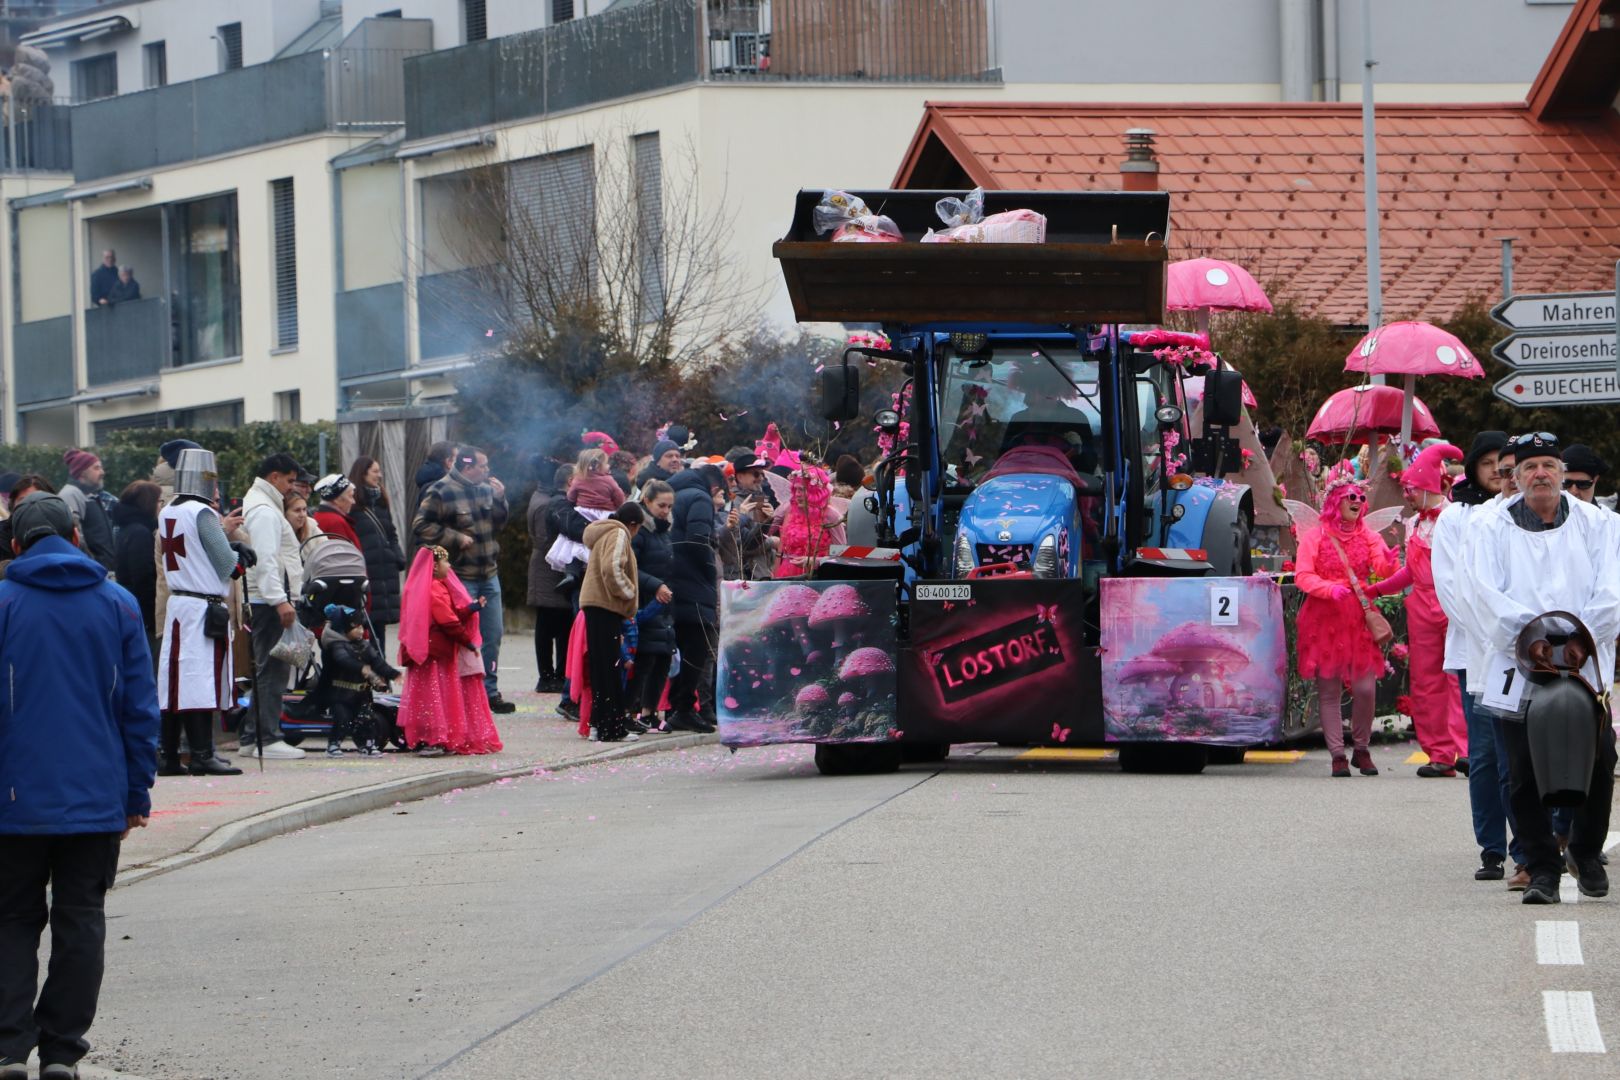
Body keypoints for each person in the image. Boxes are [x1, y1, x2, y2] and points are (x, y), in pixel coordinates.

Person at [0, 493, 158, 1080]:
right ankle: (61, 1050)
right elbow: (139, 709)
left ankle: (9, 1046)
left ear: (15, 544)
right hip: (96, 794)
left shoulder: (4, 604)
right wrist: (137, 792)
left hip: (12, 797)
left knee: (11, 919)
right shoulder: (118, 604)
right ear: (75, 535)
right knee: (81, 917)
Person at [1467, 432, 1620, 904]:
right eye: (1530, 467)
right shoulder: (1491, 527)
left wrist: (1580, 638)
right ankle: (1541, 869)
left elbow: (1612, 588)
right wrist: (1530, 638)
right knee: (1522, 770)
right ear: (1516, 476)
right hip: (1518, 660)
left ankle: (1585, 852)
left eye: (1549, 466)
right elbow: (1483, 592)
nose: (1540, 475)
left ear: (1561, 472)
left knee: (1601, 759)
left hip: (1583, 659)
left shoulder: (1598, 523)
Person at [1368, 444, 1468, 776]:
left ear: (1427, 486)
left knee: (1458, 678)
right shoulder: (1413, 524)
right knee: (1426, 681)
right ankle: (1440, 754)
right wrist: (1377, 589)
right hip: (1421, 608)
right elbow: (1410, 572)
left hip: (1453, 604)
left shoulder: (1457, 518)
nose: (1407, 495)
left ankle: (1468, 751)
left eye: (1411, 489)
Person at [1294, 473, 1397, 777]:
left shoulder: (1370, 536)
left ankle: (1361, 749)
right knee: (1329, 690)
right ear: (1335, 502)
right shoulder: (1315, 537)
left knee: (1365, 688)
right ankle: (1338, 754)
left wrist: (1390, 561)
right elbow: (1302, 575)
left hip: (1359, 617)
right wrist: (1328, 589)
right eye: (1352, 497)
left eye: (1361, 498)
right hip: (1324, 618)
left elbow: (1382, 569)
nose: (1358, 502)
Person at [155, 448, 247, 778]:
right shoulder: (202, 512)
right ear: (206, 479)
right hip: (201, 607)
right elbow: (228, 566)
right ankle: (202, 755)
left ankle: (168, 755)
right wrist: (240, 558)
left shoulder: (168, 510)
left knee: (173, 684)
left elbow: (195, 550)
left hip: (179, 604)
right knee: (199, 682)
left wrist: (230, 547)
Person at [412, 445, 515, 714]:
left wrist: (500, 500)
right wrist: (456, 538)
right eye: (483, 466)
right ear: (468, 467)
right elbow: (421, 526)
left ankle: (489, 691)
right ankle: (462, 694)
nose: (488, 471)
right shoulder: (441, 490)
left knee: (493, 635)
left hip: (489, 575)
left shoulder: (485, 489)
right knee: (464, 638)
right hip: (461, 578)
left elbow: (498, 525)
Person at [396, 546, 503, 755]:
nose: (450, 565)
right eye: (446, 561)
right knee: (436, 697)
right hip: (435, 653)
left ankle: (431, 737)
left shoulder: (425, 586)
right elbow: (447, 621)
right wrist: (468, 643)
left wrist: (470, 609)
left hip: (427, 652)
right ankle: (437, 739)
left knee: (428, 697)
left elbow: (449, 615)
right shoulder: (434, 588)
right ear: (435, 566)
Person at [239, 452, 308, 760]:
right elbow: (266, 559)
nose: (291, 487)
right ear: (274, 477)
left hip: (265, 598)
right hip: (269, 601)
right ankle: (267, 738)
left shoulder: (261, 504)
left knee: (268, 669)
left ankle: (253, 737)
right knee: (273, 670)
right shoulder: (265, 511)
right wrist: (280, 601)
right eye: (289, 481)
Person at [666, 463, 726, 732]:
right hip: (693, 582)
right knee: (697, 648)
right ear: (714, 487)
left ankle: (676, 706)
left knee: (680, 646)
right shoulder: (700, 498)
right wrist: (709, 568)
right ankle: (684, 708)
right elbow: (698, 539)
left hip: (674, 578)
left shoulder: (675, 493)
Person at [579, 502, 645, 742]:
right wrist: (629, 592)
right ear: (633, 525)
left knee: (600, 669)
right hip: (606, 606)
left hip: (594, 605)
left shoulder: (603, 533)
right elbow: (612, 569)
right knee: (610, 669)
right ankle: (613, 728)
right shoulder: (619, 533)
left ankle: (598, 724)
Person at [310, 604, 399, 757]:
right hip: (341, 692)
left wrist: (393, 674)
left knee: (367, 719)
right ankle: (333, 744)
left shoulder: (364, 645)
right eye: (355, 627)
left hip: (361, 693)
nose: (360, 631)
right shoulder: (335, 646)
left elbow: (377, 662)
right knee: (342, 718)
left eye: (361, 627)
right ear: (343, 628)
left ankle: (367, 745)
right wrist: (361, 667)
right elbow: (343, 660)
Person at [630, 481, 676, 733]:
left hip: (664, 603)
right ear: (647, 502)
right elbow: (631, 567)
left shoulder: (663, 531)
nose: (665, 511)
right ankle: (632, 711)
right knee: (644, 661)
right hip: (646, 602)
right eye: (661, 505)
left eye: (669, 506)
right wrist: (655, 585)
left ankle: (650, 712)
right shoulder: (640, 532)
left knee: (662, 660)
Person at [348, 457, 406, 655]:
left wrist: (397, 556)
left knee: (379, 626)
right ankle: (372, 667)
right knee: (366, 623)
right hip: (367, 571)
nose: (379, 475)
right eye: (375, 471)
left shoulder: (381, 501)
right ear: (362, 473)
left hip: (385, 572)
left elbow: (391, 533)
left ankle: (380, 666)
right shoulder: (353, 504)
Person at [527, 463, 574, 693]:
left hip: (550, 568)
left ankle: (556, 675)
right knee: (549, 625)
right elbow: (546, 539)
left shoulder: (543, 498)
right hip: (549, 569)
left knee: (560, 624)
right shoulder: (548, 504)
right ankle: (548, 676)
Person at [546, 448, 626, 577]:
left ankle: (571, 573)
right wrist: (616, 507)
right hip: (603, 516)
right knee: (596, 544)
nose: (609, 466)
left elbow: (571, 496)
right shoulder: (609, 480)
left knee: (573, 545)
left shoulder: (579, 480)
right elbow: (619, 497)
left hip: (583, 512)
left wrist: (575, 501)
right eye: (606, 463)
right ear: (599, 466)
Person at [112, 480, 162, 649]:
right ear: (148, 503)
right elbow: (143, 578)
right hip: (144, 615)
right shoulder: (140, 534)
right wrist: (152, 618)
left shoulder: (126, 529)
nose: (160, 506)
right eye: (159, 501)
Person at [59, 449, 116, 573]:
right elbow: (75, 536)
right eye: (96, 468)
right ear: (82, 472)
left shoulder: (88, 494)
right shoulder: (70, 495)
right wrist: (92, 564)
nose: (102, 472)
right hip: (92, 571)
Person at [1450, 430, 1508, 507]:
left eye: (1502, 462)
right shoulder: (1458, 510)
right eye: (1487, 463)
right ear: (1474, 469)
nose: (1496, 469)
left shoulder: (1523, 506)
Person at [311, 474, 363, 549]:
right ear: (337, 500)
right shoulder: (335, 522)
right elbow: (343, 553)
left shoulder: (322, 516)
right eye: (350, 496)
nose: (353, 501)